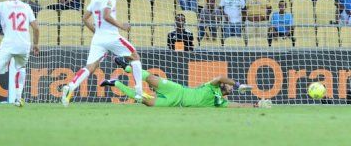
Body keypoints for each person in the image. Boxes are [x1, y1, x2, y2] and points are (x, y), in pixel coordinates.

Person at [62, 0, 146, 106]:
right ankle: (139, 92)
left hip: (98, 39)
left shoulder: (94, 0)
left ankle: (70, 86)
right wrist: (122, 26)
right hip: (111, 37)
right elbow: (106, 15)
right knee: (135, 57)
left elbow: (84, 18)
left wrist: (96, 32)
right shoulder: (110, 0)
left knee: (90, 67)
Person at [101, 58, 268, 108]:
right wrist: (239, 85)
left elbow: (237, 106)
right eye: (230, 85)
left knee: (145, 100)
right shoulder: (213, 85)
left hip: (174, 102)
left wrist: (256, 105)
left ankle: (116, 83)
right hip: (177, 90)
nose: (230, 87)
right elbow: (220, 77)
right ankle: (128, 68)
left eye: (232, 87)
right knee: (150, 78)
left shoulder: (220, 102)